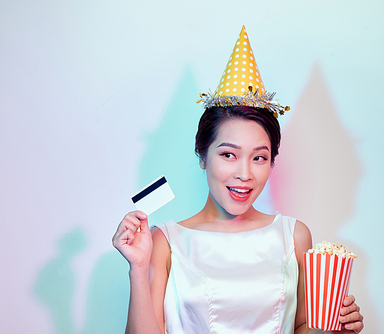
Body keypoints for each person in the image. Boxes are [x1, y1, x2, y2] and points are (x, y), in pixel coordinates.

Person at [112, 26, 364, 334]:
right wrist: (138, 268)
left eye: (259, 157)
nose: (244, 174)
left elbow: (304, 328)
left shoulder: (294, 237)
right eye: (229, 155)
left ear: (272, 162)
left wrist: (337, 329)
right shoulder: (165, 242)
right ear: (203, 155)